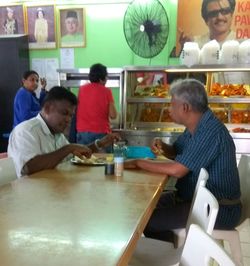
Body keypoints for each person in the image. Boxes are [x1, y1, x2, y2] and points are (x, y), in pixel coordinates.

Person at [124, 78, 241, 242]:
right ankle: (174, 246)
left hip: (220, 208)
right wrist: (163, 147)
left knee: (146, 221)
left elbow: (178, 170)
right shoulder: (196, 126)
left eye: (172, 104)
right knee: (140, 208)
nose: (169, 109)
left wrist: (138, 163)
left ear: (185, 107)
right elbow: (177, 152)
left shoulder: (209, 131)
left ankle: (174, 252)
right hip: (193, 198)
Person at [8, 86, 120, 178]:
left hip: (52, 190)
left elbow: (76, 153)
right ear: (47, 109)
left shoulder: (57, 134)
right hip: (28, 196)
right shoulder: (25, 131)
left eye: (71, 115)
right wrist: (68, 148)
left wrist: (100, 143)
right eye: (64, 113)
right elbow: (28, 168)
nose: (68, 120)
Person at [76, 63, 117, 152]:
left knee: (83, 160)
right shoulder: (107, 91)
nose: (107, 79)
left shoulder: (81, 89)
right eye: (106, 76)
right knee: (102, 162)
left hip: (82, 133)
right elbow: (113, 115)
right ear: (102, 77)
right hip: (100, 134)